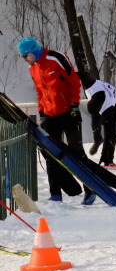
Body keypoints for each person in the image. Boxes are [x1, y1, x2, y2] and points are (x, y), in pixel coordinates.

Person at [17, 38, 96, 205]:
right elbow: (39, 90)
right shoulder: (33, 68)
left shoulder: (56, 58)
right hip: (50, 115)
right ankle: (55, 194)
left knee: (76, 151)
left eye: (25, 55)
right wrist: (41, 112)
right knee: (51, 153)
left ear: (33, 51)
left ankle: (90, 189)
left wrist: (75, 104)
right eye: (22, 57)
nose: (24, 59)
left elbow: (74, 81)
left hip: (69, 112)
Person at [77, 71, 116, 166]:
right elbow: (84, 74)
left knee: (110, 129)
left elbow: (109, 132)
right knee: (96, 120)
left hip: (113, 94)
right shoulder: (88, 84)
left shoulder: (108, 105)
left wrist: (104, 158)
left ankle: (108, 158)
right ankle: (98, 139)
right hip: (98, 97)